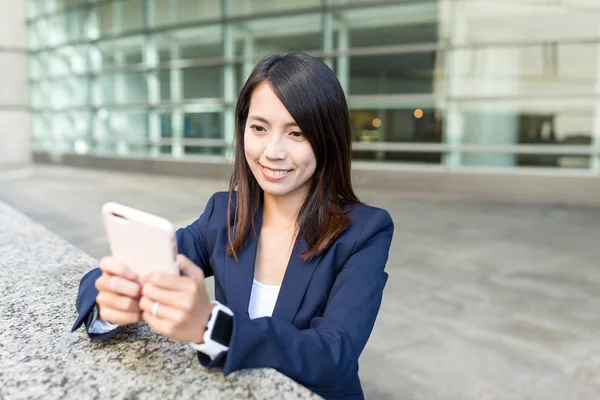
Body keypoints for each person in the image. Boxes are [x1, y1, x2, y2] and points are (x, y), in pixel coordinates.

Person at [72, 52, 394, 400]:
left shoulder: (364, 230)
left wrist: (212, 326)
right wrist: (112, 303)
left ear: (327, 138)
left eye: (297, 133)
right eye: (259, 128)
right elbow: (107, 279)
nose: (272, 152)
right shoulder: (224, 213)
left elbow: (334, 354)